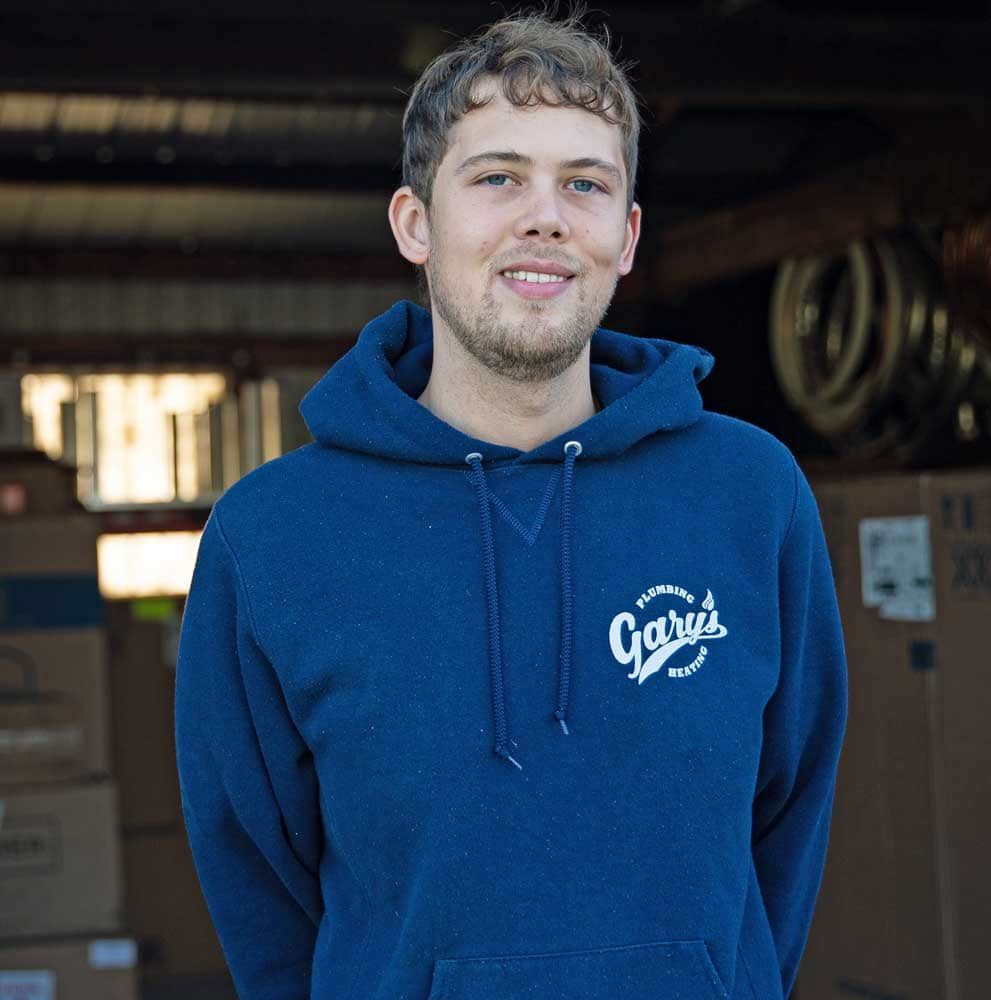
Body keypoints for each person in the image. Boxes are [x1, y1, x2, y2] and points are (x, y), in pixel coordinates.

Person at [174, 9, 848, 1000]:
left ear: (624, 239)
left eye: (584, 183)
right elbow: (255, 878)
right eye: (497, 178)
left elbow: (787, 820)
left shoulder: (749, 495)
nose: (544, 217)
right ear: (416, 222)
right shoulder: (271, 535)